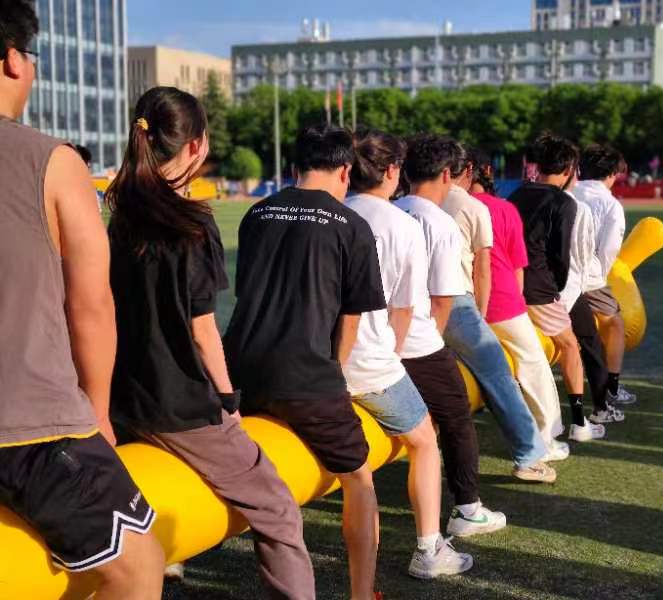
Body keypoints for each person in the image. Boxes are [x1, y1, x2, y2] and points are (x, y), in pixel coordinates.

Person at [106, 87, 315, 599]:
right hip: (180, 407)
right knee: (279, 510)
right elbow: (203, 333)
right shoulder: (193, 223)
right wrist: (228, 401)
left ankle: (170, 562)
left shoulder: (119, 217)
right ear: (196, 147)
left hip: (124, 401)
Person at [0, 3, 164, 598]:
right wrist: (97, 412)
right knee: (140, 566)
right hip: (30, 429)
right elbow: (91, 304)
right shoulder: (53, 161)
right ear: (14, 60)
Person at [224, 125, 384, 600]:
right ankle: (362, 594)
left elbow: (248, 294)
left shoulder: (257, 213)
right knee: (359, 477)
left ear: (296, 168)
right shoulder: (351, 225)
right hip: (305, 375)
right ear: (345, 171)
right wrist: (333, 376)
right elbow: (350, 321)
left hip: (239, 369)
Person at [344, 128, 473, 579]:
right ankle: (428, 548)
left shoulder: (334, 211)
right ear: (392, 170)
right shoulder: (403, 225)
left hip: (317, 363)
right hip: (369, 364)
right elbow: (403, 309)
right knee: (425, 441)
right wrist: (393, 359)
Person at [394, 134, 507, 536]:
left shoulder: (390, 210)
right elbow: (443, 300)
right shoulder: (440, 223)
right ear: (447, 174)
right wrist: (435, 345)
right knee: (457, 414)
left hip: (377, 339)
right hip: (417, 340)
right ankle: (467, 507)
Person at [440, 145, 561, 477]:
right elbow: (509, 266)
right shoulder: (493, 208)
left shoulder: (423, 204)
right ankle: (543, 441)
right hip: (491, 302)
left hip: (434, 308)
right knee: (529, 364)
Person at [469, 152, 570, 458]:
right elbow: (517, 266)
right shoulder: (502, 208)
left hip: (456, 307)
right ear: (487, 171)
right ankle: (546, 439)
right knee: (534, 364)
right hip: (501, 302)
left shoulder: (446, 208)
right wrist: (519, 303)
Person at [507, 133, 606, 442]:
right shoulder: (563, 202)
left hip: (509, 285)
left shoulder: (516, 194)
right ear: (569, 169)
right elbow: (560, 256)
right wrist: (556, 290)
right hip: (539, 289)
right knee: (570, 347)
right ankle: (579, 423)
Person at [574, 144, 637, 407]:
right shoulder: (610, 204)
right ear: (612, 173)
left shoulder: (569, 192)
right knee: (615, 323)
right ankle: (612, 385)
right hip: (587, 276)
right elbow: (609, 250)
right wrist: (598, 274)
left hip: (553, 275)